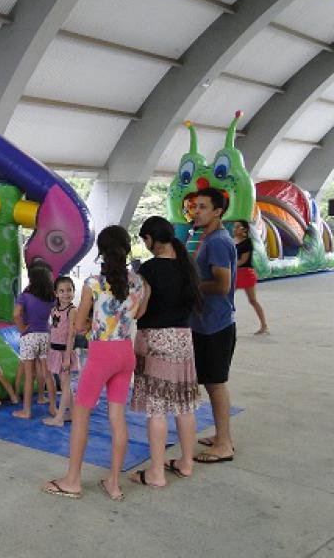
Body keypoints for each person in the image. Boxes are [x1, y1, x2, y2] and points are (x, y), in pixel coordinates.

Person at [42, 225, 145, 501]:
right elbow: (137, 314)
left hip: (101, 354)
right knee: (117, 418)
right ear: (127, 248)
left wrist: (91, 325)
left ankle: (72, 481)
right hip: (126, 352)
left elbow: (77, 325)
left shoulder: (93, 283)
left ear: (101, 251)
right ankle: (114, 483)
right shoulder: (138, 282)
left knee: (81, 415)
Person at [129, 216, 203, 487]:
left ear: (150, 239)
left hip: (155, 340)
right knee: (184, 405)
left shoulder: (148, 270)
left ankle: (156, 473)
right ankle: (186, 463)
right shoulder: (188, 266)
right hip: (183, 339)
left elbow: (138, 310)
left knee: (157, 409)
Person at [191, 188, 237, 464]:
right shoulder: (207, 238)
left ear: (218, 211)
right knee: (210, 382)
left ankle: (224, 444)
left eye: (203, 207)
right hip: (204, 323)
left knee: (216, 383)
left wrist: (191, 286)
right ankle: (221, 435)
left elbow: (222, 285)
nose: (196, 211)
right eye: (195, 206)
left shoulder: (218, 241)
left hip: (215, 325)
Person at [12, 266, 55, 419]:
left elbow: (16, 314)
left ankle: (27, 411)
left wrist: (22, 329)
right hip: (45, 334)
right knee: (47, 373)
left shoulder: (24, 296)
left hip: (29, 335)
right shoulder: (51, 298)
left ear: (32, 280)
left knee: (29, 376)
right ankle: (52, 406)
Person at [42, 276, 77, 427]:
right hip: (55, 351)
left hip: (64, 352)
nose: (66, 294)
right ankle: (74, 414)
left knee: (65, 385)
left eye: (69, 290)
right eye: (62, 291)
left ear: (74, 291)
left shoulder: (72, 311)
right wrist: (49, 349)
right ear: (56, 293)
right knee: (65, 384)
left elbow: (70, 335)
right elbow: (53, 330)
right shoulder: (54, 310)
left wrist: (67, 358)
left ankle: (59, 418)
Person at [232, 220, 269, 335]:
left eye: (238, 227)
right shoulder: (232, 241)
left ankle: (264, 325)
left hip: (246, 273)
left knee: (252, 300)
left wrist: (230, 265)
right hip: (235, 273)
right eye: (234, 227)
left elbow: (243, 260)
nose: (235, 229)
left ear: (244, 229)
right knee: (227, 299)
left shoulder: (247, 242)